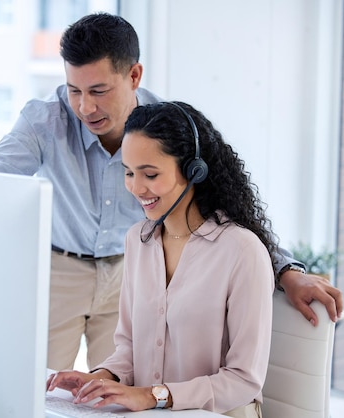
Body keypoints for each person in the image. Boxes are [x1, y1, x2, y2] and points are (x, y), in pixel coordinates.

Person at [0, 12, 343, 371]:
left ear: (134, 75)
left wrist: (286, 270)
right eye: (74, 91)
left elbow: (226, 197)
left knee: (115, 395)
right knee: (39, 392)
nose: (85, 107)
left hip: (129, 274)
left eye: (99, 91)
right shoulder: (44, 120)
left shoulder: (163, 125)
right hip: (61, 271)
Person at [47, 101, 275, 416]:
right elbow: (128, 348)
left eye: (150, 174)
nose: (136, 187)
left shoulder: (241, 251)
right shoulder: (138, 242)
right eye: (128, 172)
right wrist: (99, 379)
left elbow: (244, 380)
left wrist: (154, 396)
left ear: (194, 170)